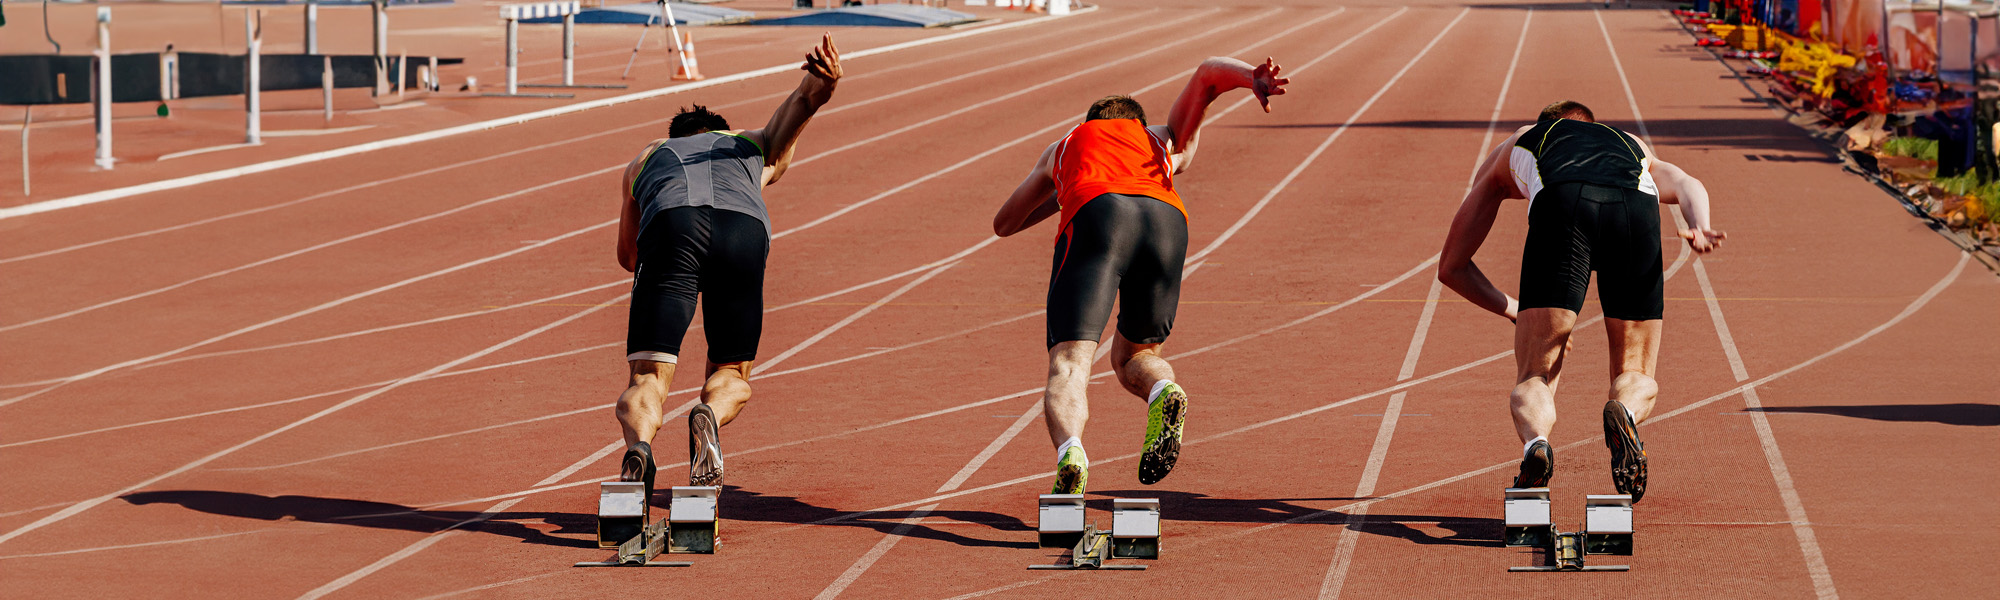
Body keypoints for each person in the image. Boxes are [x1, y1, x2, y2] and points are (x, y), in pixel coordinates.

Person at [991, 56, 1288, 494]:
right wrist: (1251, 80)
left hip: (1098, 215)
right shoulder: (1160, 139)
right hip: (1166, 220)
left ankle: (1071, 451)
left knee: (1070, 364)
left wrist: (1064, 187)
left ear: (1092, 121)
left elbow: (1004, 222)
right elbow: (1206, 74)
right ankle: (1163, 389)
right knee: (1134, 356)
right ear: (1136, 122)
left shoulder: (1065, 145)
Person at [1437, 100, 1724, 502]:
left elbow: (1452, 266)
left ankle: (1536, 444)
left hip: (1562, 204)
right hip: (1635, 209)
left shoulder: (1521, 139)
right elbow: (1687, 182)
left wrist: (1514, 308)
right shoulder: (1631, 143)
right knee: (1636, 369)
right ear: (1592, 125)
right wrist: (1700, 225)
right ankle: (1625, 411)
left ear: (1546, 125)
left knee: (1535, 373)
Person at [611, 34, 843, 498]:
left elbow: (628, 256)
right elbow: (801, 104)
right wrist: (825, 83)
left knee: (647, 377)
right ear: (719, 131)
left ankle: (640, 446)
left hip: (673, 228)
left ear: (678, 137)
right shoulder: (750, 144)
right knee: (732, 373)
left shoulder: (646, 157)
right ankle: (709, 416)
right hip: (743, 230)